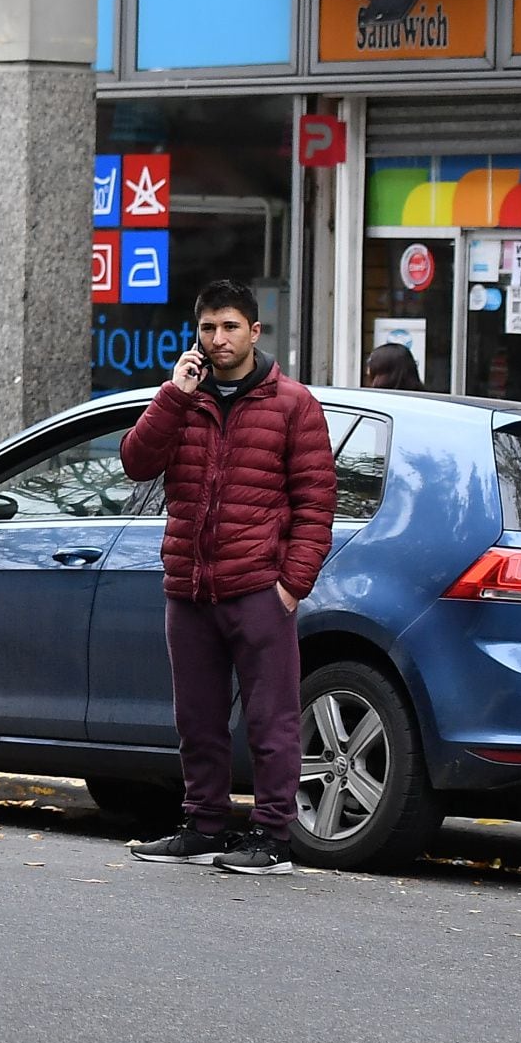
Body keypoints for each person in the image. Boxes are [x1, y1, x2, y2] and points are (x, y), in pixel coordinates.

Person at [121, 279, 334, 877]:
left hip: (257, 588)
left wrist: (291, 584)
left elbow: (316, 504)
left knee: (272, 719)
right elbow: (137, 462)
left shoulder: (293, 404)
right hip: (189, 588)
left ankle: (271, 836)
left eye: (230, 327)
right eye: (209, 328)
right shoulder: (183, 399)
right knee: (197, 717)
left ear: (255, 331)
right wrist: (172, 395)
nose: (218, 339)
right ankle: (204, 824)